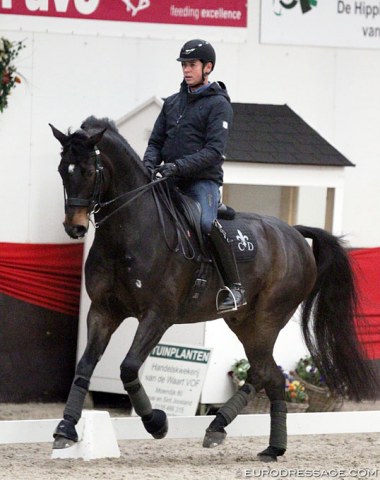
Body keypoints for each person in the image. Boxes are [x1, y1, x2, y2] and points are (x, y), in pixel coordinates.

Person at [143, 39, 246, 312]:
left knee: (204, 224)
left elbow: (213, 151)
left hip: (202, 182)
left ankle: (235, 288)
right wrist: (149, 166)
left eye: (192, 65)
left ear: (207, 67)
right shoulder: (172, 103)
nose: (186, 70)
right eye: (184, 65)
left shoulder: (218, 105)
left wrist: (177, 167)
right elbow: (155, 143)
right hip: (169, 179)